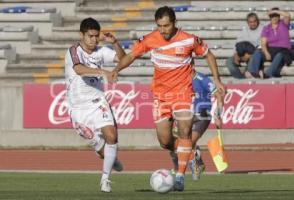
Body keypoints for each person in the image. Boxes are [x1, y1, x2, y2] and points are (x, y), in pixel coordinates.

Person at [110, 6, 225, 191]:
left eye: (166, 25)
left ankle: (179, 176)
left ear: (174, 23)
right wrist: (116, 70)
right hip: (160, 96)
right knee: (165, 141)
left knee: (184, 131)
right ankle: (191, 153)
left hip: (182, 93)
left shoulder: (189, 39)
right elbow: (131, 55)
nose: (163, 30)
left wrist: (217, 79)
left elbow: (208, 56)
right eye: (159, 26)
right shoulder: (150, 39)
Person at [64, 17, 126, 193]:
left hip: (98, 101)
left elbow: (123, 59)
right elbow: (79, 69)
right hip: (78, 108)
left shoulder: (101, 51)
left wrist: (115, 43)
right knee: (102, 151)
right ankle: (110, 160)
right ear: (82, 35)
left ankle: (105, 179)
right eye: (90, 36)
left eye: (96, 36)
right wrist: (103, 72)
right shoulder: (73, 51)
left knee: (112, 136)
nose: (93, 40)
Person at [170, 70, 223, 181]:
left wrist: (218, 114)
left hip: (202, 116)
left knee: (188, 142)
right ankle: (192, 162)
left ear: (191, 66)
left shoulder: (202, 79)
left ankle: (193, 164)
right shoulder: (180, 79)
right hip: (185, 117)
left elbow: (218, 95)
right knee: (173, 143)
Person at [248, 7, 293, 78]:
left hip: (284, 50)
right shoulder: (267, 28)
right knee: (258, 52)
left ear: (279, 16)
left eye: (276, 16)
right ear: (270, 17)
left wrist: (275, 11)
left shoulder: (283, 24)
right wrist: (266, 52)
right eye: (272, 16)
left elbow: (287, 15)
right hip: (271, 50)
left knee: (280, 55)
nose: (274, 18)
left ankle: (268, 74)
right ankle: (253, 73)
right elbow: (263, 43)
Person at [226, 12, 263, 79]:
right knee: (229, 61)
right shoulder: (244, 30)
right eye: (250, 22)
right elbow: (237, 43)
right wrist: (235, 54)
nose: (253, 23)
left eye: (254, 21)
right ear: (248, 23)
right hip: (242, 53)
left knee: (252, 60)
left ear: (257, 21)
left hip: (255, 54)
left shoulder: (263, 29)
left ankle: (248, 77)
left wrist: (250, 55)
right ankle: (241, 79)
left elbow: (262, 46)